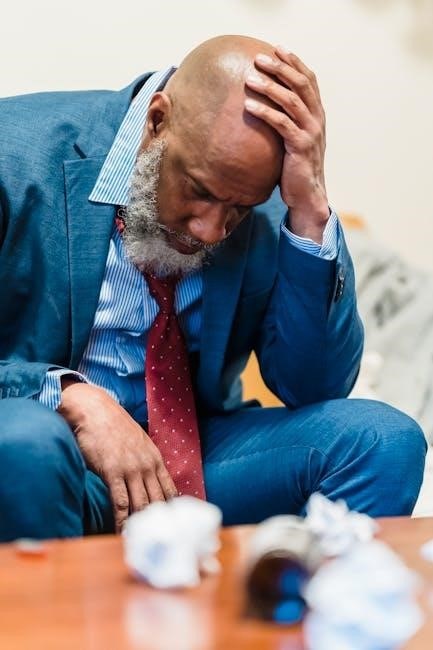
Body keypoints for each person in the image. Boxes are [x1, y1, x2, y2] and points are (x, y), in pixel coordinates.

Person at [0, 35, 426, 542]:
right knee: (22, 444)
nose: (209, 231)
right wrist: (71, 398)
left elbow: (314, 387)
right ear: (157, 121)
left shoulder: (267, 205)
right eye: (199, 191)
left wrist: (311, 209)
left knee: (383, 441)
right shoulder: (15, 155)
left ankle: (294, 594)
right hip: (50, 454)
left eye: (239, 209)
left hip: (191, 462)